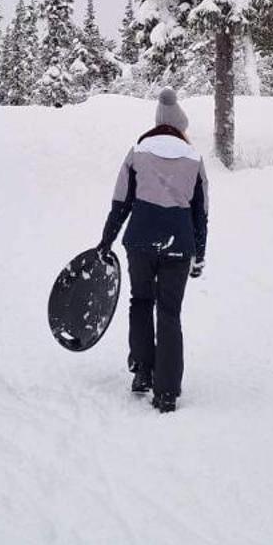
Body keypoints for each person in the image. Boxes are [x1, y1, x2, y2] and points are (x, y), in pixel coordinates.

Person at [99, 88, 208, 413]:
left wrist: (106, 241)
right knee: (170, 313)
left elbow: (122, 201)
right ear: (179, 126)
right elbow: (199, 213)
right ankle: (167, 391)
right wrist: (199, 254)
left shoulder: (138, 152)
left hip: (141, 242)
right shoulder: (194, 159)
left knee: (141, 301)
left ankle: (143, 372)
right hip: (178, 244)